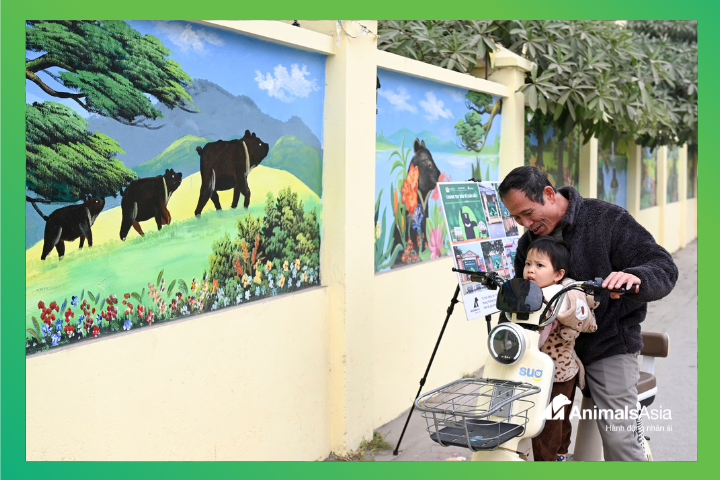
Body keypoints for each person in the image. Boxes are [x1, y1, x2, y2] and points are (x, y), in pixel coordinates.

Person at [498, 166, 678, 461]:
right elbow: (522, 301)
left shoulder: (607, 219)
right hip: (548, 355)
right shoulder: (527, 244)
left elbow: (663, 266)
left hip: (608, 345)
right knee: (531, 433)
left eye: (528, 213)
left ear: (548, 194)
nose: (525, 224)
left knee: (620, 440)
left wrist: (635, 278)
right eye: (517, 218)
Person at [522, 237, 599, 461]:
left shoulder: (557, 297)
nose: (530, 270)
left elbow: (537, 338)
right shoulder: (532, 293)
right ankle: (560, 453)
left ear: (558, 274)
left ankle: (549, 460)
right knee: (557, 417)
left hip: (557, 373)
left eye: (539, 265)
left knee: (550, 421)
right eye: (528, 264)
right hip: (545, 370)